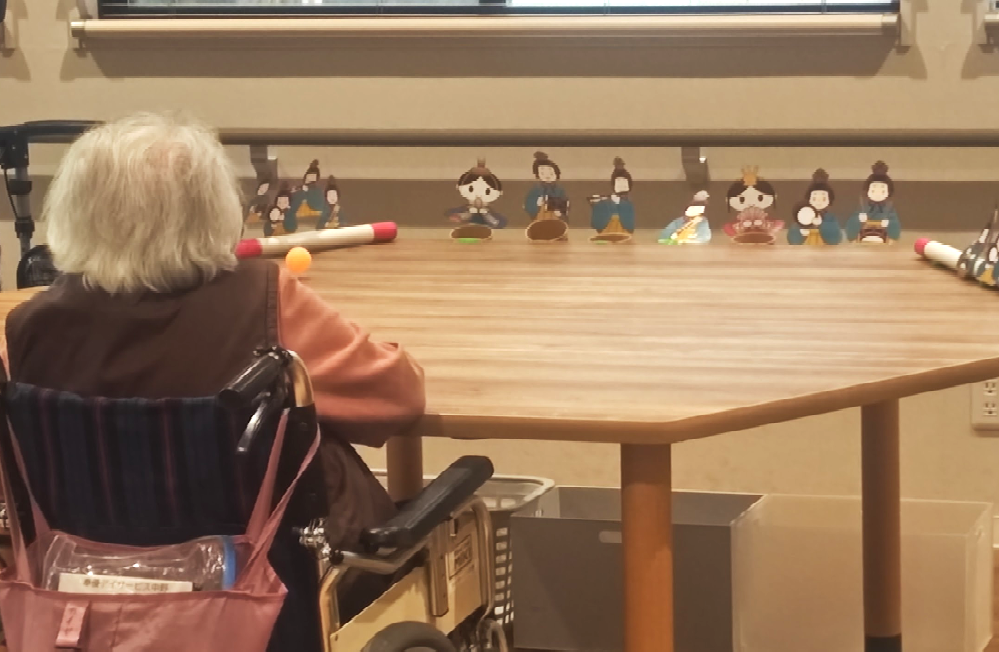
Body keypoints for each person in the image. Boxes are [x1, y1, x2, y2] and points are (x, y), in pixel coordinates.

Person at [0, 112, 426, 652]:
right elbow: (398, 397)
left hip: (83, 601)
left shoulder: (30, 329)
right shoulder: (264, 304)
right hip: (273, 599)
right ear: (214, 210)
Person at [845, 161, 901, 244]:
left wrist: (889, 224)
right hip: (865, 236)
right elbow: (851, 227)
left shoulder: (889, 208)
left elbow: (895, 229)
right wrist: (858, 220)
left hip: (882, 237)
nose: (877, 194)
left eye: (882, 191)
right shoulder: (863, 206)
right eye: (873, 190)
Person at [787, 169, 842, 245]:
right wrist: (802, 231)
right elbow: (793, 240)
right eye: (814, 198)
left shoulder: (830, 218)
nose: (818, 202)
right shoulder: (803, 214)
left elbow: (835, 239)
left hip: (825, 250)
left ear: (829, 200)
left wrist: (822, 224)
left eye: (823, 198)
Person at [588, 157, 635, 242]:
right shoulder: (614, 174)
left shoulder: (626, 175)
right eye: (617, 165)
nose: (619, 166)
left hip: (624, 196)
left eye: (620, 165)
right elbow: (613, 185)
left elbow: (629, 185)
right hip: (617, 195)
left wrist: (624, 194)